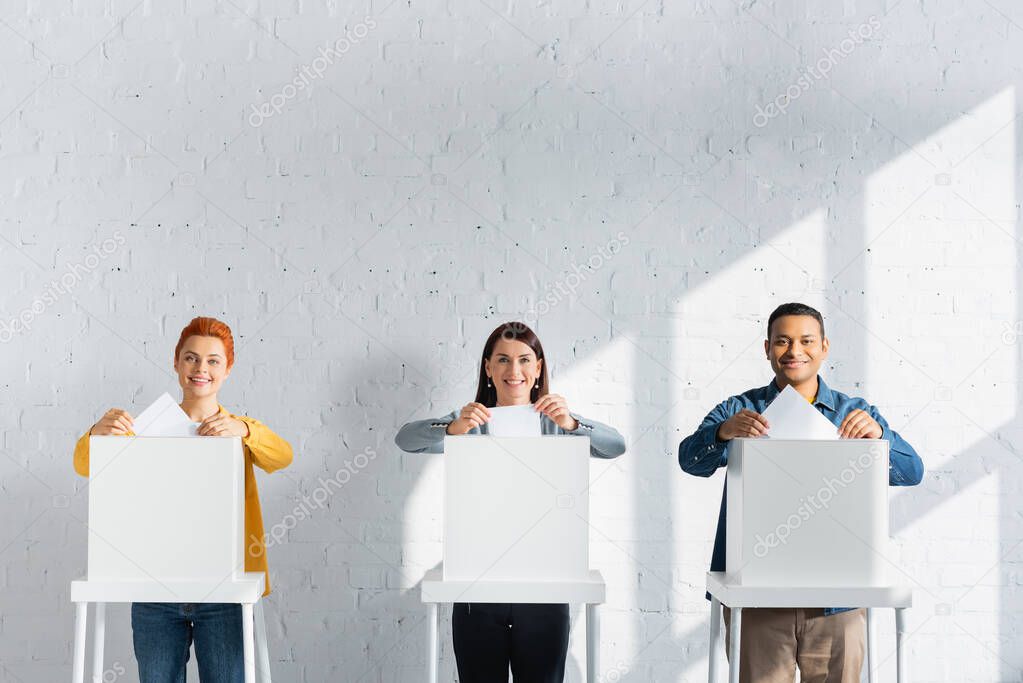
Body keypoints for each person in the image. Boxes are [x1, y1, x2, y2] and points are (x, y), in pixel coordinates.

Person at [678, 302, 924, 683]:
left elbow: (912, 472)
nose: (794, 351)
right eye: (782, 341)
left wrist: (880, 438)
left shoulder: (852, 411)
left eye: (806, 340)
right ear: (767, 348)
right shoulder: (739, 409)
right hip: (757, 596)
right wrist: (722, 432)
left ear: (824, 347)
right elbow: (690, 460)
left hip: (836, 600)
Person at [395, 321, 625, 683]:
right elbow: (407, 440)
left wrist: (573, 423)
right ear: (488, 368)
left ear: (538, 369)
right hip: (478, 583)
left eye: (523, 360)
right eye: (502, 360)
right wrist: (451, 430)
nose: (513, 371)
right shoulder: (470, 421)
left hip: (545, 585)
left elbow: (615, 446)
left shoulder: (556, 422)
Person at [72, 316, 293, 683]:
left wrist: (245, 429)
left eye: (212, 360)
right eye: (191, 358)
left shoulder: (238, 430)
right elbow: (84, 465)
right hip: (154, 587)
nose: (200, 368)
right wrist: (97, 433)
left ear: (227, 369)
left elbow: (282, 456)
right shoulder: (144, 430)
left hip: (224, 589)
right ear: (176, 363)